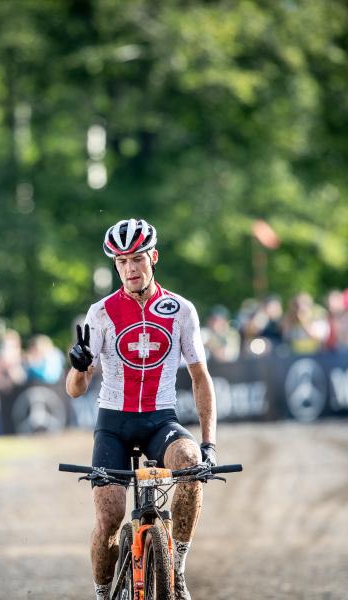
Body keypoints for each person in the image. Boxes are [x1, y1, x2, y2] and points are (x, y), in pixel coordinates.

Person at [65, 218, 217, 600]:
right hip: (113, 423)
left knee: (189, 462)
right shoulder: (100, 313)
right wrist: (79, 366)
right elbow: (75, 390)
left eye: (136, 259)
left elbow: (201, 378)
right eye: (121, 262)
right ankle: (103, 594)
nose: (130, 269)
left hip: (159, 420)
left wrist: (209, 444)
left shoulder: (181, 310)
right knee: (109, 519)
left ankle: (177, 567)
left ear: (154, 257)